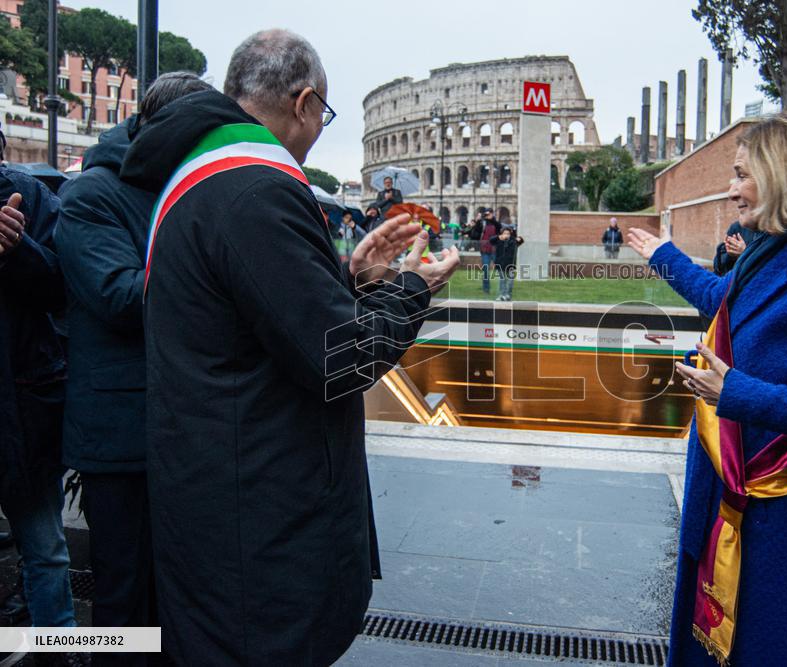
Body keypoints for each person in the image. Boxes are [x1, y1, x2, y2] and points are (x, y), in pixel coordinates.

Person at [119, 30, 459, 665]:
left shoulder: (204, 176)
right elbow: (342, 360)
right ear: (305, 104)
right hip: (260, 528)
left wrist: (353, 279)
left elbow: (256, 321)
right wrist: (412, 287)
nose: (319, 129)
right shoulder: (254, 189)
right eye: (324, 115)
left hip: (220, 496)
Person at [627, 109, 787, 667]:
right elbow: (721, 300)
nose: (731, 191)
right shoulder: (769, 253)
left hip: (784, 510)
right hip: (722, 489)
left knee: (766, 646)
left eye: (743, 175)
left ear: (786, 178)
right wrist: (664, 257)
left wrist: (736, 392)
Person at [55, 72, 213, 664]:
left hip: (176, 426)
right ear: (164, 127)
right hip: (119, 438)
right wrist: (212, 270)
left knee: (177, 594)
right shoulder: (92, 194)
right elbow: (120, 296)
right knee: (123, 601)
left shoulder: (178, 183)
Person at [0, 148, 79, 659]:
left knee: (44, 545)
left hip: (25, 406)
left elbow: (64, 287)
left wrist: (16, 249)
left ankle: (60, 646)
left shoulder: (29, 196)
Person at [490, 225, 523, 301]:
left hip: (511, 264)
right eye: (505, 233)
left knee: (510, 281)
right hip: (500, 263)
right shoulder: (499, 240)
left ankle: (508, 295)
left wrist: (517, 237)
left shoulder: (514, 241)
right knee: (502, 280)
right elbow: (491, 240)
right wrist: (499, 237)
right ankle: (502, 295)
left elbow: (521, 240)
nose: (506, 235)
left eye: (508, 233)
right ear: (502, 234)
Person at [478, 208, 499, 294]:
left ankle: (503, 289)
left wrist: (492, 219)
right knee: (485, 270)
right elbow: (476, 232)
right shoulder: (483, 223)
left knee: (501, 269)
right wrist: (478, 220)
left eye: (489, 214)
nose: (488, 216)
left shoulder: (496, 223)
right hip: (485, 250)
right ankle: (486, 289)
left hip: (495, 250)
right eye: (486, 214)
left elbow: (499, 228)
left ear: (492, 214)